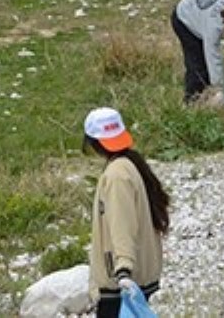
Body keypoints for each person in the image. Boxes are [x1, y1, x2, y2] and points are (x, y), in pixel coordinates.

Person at [83, 107, 167, 317]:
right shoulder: (131, 165)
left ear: (93, 142)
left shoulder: (116, 176)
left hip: (121, 283)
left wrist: (123, 269)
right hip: (138, 278)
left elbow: (122, 224)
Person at [170, 0, 224, 103]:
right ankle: (191, 101)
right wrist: (219, 88)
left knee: (206, 68)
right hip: (183, 18)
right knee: (198, 66)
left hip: (199, 13)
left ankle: (204, 95)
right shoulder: (213, 28)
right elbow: (213, 57)